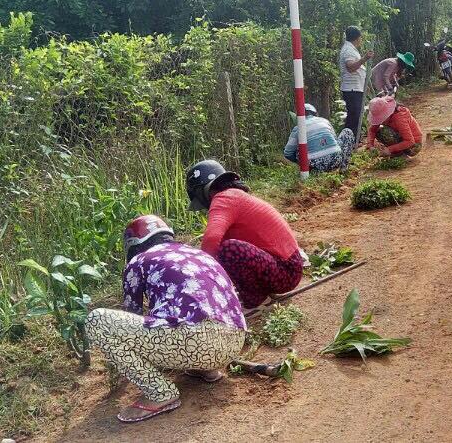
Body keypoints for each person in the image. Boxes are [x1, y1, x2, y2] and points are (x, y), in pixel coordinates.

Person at [86, 215, 247, 423]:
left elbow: (132, 314)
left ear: (133, 245)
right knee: (182, 315)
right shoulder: (198, 253)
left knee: (97, 320)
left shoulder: (139, 260)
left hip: (197, 342)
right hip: (233, 343)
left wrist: (126, 365)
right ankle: (206, 368)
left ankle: (159, 393)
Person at [186, 160, 304, 309]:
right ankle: (259, 293)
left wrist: (199, 278)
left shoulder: (224, 199)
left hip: (286, 272)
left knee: (228, 249)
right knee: (225, 248)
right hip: (289, 268)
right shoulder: (235, 196)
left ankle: (256, 299)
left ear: (202, 192)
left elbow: (211, 240)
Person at [284, 103, 355, 173]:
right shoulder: (325, 121)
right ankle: (343, 168)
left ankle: (306, 171)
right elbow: (335, 141)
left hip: (314, 165)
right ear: (315, 113)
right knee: (347, 131)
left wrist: (301, 162)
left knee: (298, 148)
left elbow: (288, 153)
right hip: (335, 160)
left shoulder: (298, 128)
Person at [339, 26, 373, 139]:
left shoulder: (351, 49)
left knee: (355, 117)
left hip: (355, 88)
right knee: (354, 118)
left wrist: (364, 85)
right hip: (351, 89)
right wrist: (364, 58)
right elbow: (351, 67)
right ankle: (349, 142)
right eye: (360, 38)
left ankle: (351, 142)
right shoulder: (348, 50)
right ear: (357, 38)